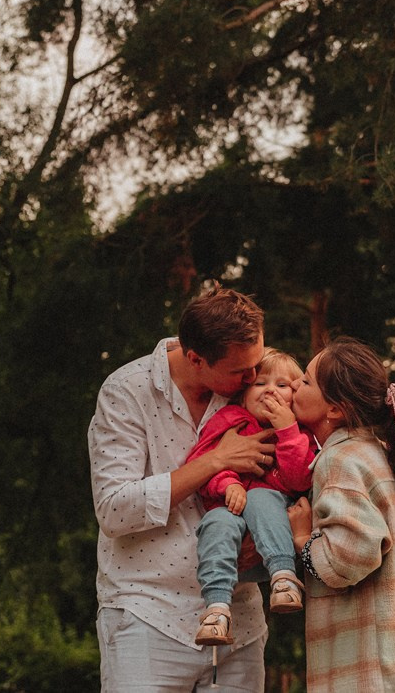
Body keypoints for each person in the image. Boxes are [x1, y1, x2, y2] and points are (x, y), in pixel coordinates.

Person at [88, 283, 278, 693]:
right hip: (147, 616)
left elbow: (289, 481)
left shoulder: (255, 392)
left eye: (257, 364)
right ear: (196, 358)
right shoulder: (126, 392)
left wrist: (264, 539)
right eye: (240, 371)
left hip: (239, 623)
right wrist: (215, 461)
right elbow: (114, 510)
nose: (254, 377)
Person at [287, 337, 395, 693]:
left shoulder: (339, 460)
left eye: (305, 381)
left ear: (335, 409)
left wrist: (304, 540)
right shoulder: (378, 454)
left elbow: (354, 553)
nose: (293, 386)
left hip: (375, 674)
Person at [186, 348, 315, 645]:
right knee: (216, 521)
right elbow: (201, 460)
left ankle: (283, 579)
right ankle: (217, 609)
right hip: (231, 522)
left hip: (271, 533)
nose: (270, 389)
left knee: (260, 497)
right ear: (243, 395)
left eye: (283, 386)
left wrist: (287, 431)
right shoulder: (230, 419)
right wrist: (227, 483)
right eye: (260, 383)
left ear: (294, 400)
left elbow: (299, 479)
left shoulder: (299, 432)